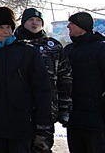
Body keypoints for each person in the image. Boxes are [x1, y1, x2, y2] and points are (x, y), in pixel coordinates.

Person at [0, 7, 51, 153]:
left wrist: (42, 122)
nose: (6, 31)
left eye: (9, 27)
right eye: (1, 27)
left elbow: (41, 89)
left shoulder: (27, 53)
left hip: (21, 123)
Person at [14, 8, 72, 153]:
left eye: (38, 20)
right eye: (31, 20)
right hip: (17, 111)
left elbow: (65, 78)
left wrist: (64, 108)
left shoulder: (54, 46)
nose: (34, 23)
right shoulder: (13, 44)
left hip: (46, 110)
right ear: (23, 22)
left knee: (42, 149)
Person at [64, 12, 105, 152]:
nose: (68, 26)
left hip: (96, 118)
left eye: (72, 24)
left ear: (81, 26)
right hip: (74, 117)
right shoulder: (68, 50)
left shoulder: (100, 48)